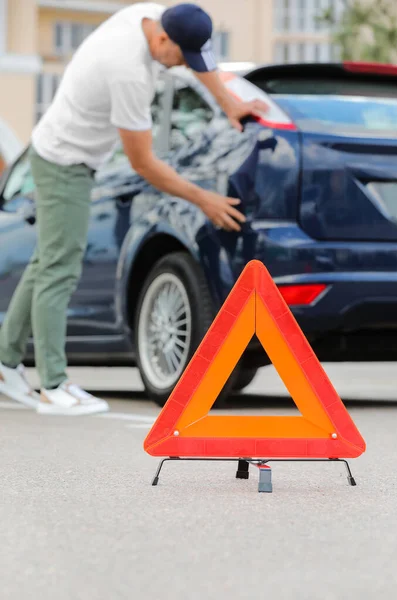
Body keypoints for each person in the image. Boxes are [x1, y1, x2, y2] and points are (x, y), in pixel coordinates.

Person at [0, 2, 267, 416]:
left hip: (68, 156)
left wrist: (229, 102)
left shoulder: (156, 17)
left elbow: (201, 64)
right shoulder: (128, 71)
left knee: (44, 263)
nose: (182, 66)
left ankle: (4, 362)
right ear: (162, 40)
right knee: (60, 266)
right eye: (179, 57)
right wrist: (204, 199)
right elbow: (144, 164)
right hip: (63, 162)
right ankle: (53, 385)